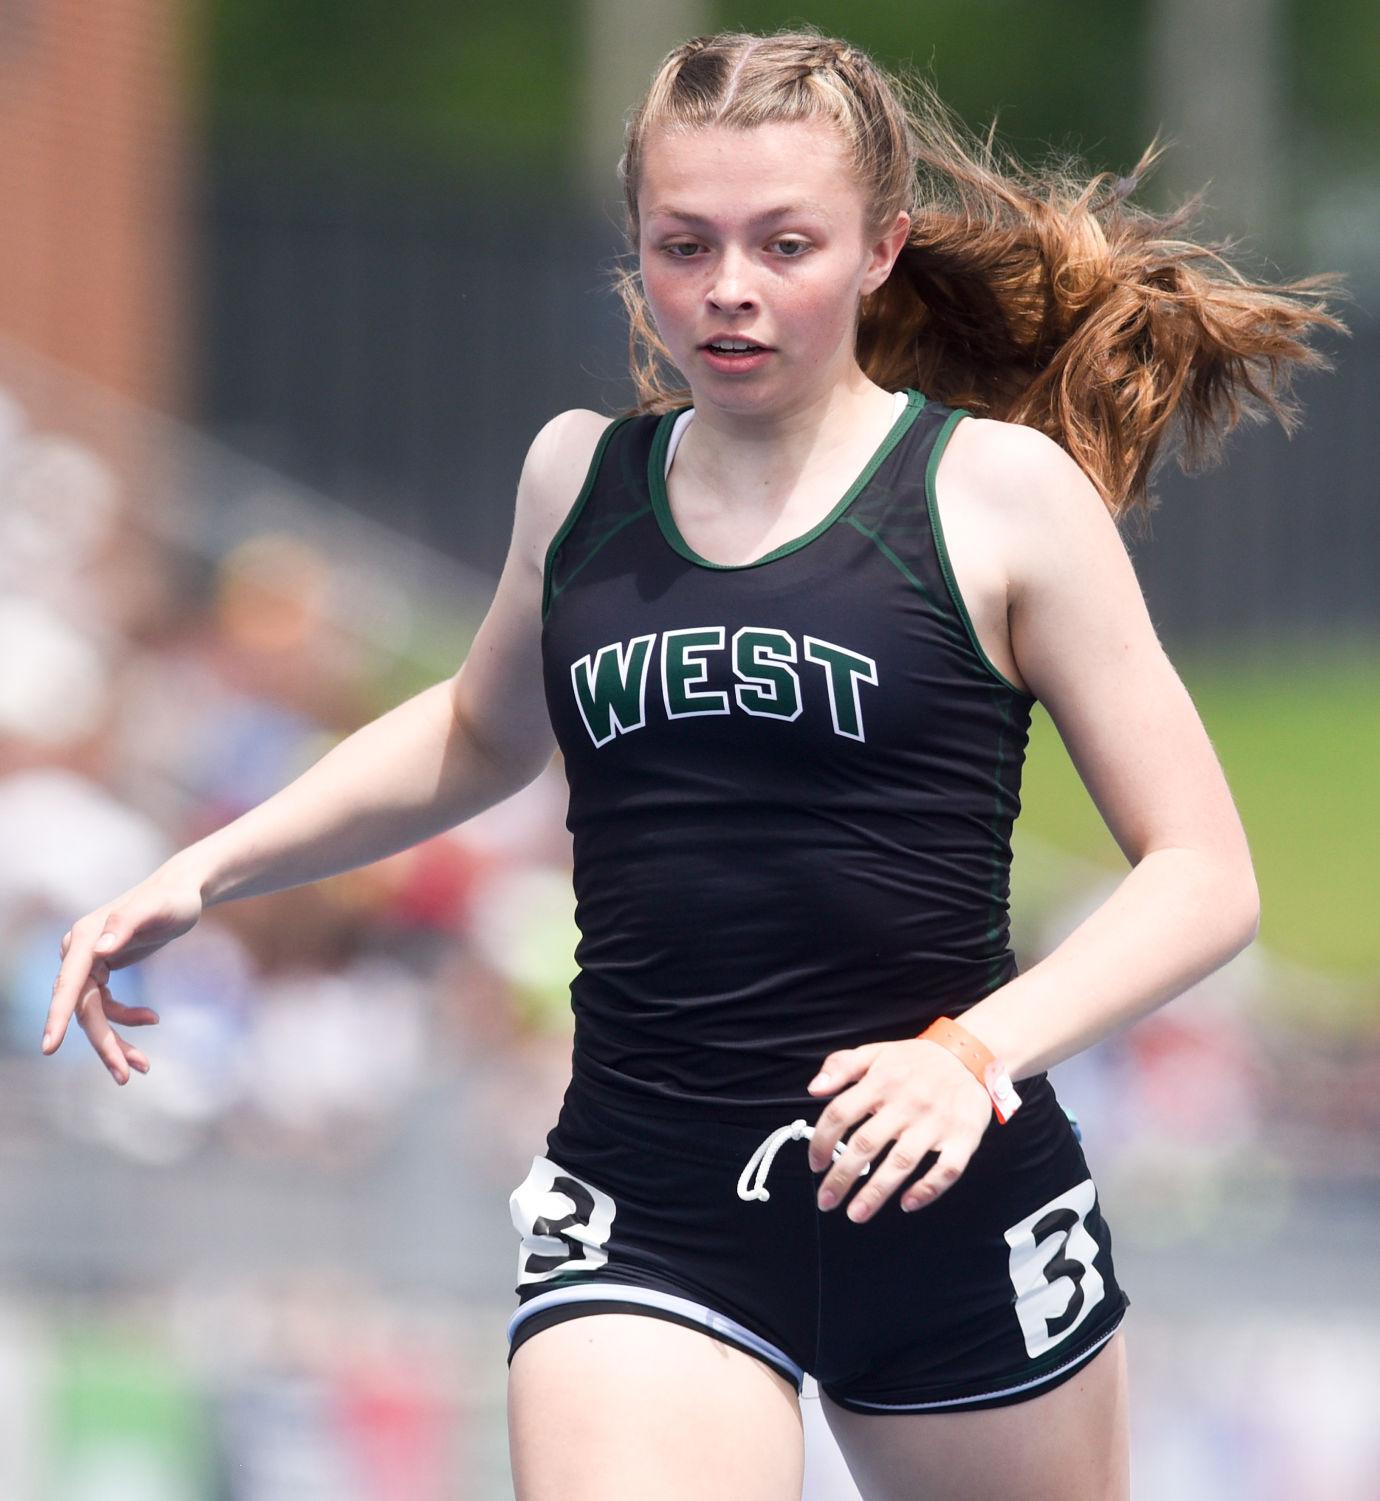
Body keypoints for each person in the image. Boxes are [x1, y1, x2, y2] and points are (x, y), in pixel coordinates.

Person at [43, 28, 1345, 1501]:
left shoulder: (998, 496)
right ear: (639, 250)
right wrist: (206, 866)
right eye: (685, 243)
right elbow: (479, 729)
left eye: (785, 243)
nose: (729, 285)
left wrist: (973, 1056)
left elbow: (1203, 876)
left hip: (948, 1199)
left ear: (880, 249)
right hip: (650, 1210)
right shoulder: (577, 482)